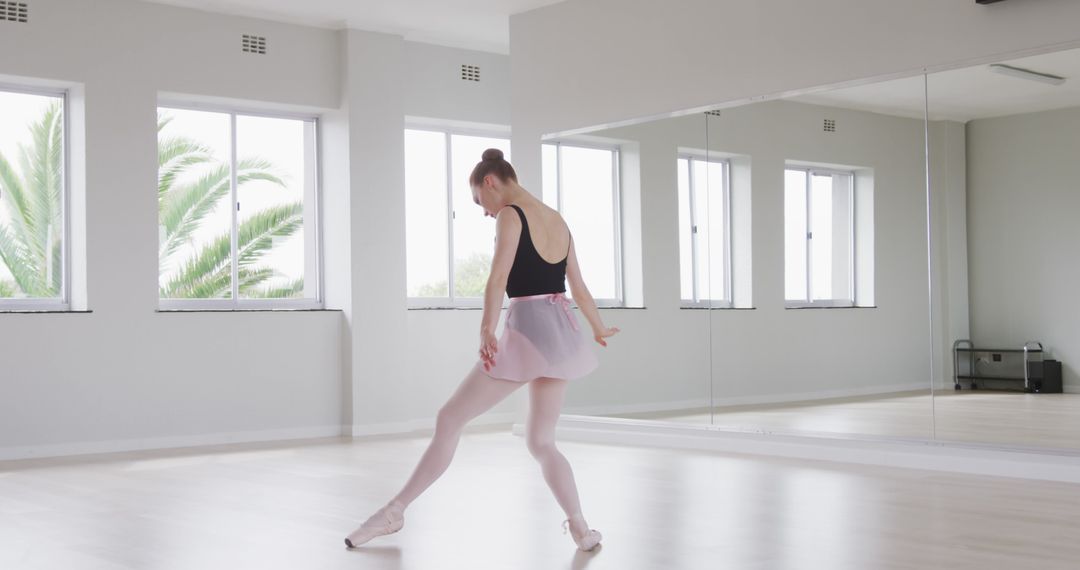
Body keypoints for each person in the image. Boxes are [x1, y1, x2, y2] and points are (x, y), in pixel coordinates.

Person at [344, 148, 620, 552]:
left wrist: (487, 329)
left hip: (528, 330)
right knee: (542, 441)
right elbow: (577, 286)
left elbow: (498, 278)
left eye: (479, 201)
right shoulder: (558, 219)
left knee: (450, 417)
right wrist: (596, 326)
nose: (485, 212)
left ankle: (394, 511)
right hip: (561, 333)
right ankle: (581, 529)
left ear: (490, 182)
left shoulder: (512, 214)